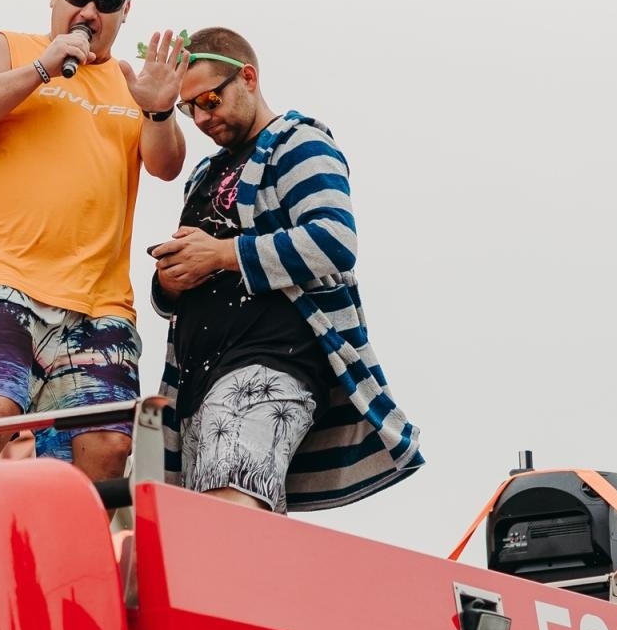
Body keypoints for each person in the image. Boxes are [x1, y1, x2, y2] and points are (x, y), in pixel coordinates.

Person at [0, 0, 187, 481]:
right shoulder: (12, 48)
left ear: (125, 12)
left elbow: (166, 165)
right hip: (3, 279)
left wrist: (160, 111)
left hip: (96, 302)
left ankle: (67, 563)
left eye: (107, 3)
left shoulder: (130, 83)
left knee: (108, 450)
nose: (89, 11)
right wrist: (40, 70)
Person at [148, 27, 422, 512]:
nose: (202, 117)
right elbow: (198, 267)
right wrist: (168, 283)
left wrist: (222, 254)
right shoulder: (203, 174)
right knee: (200, 521)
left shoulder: (299, 143)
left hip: (274, 360)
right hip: (198, 379)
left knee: (230, 498)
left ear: (248, 78)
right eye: (189, 108)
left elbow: (334, 241)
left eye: (211, 99)